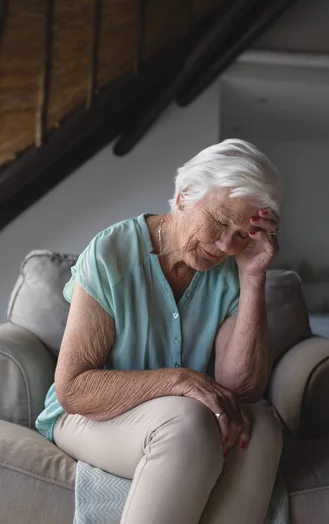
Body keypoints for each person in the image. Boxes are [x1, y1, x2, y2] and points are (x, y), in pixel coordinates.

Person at [36, 138, 284, 524]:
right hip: (92, 415)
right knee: (188, 424)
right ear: (184, 194)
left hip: (187, 417)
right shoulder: (111, 253)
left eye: (241, 235)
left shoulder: (233, 269)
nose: (225, 244)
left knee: (263, 426)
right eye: (219, 222)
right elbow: (73, 389)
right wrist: (178, 380)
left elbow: (242, 389)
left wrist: (253, 278)